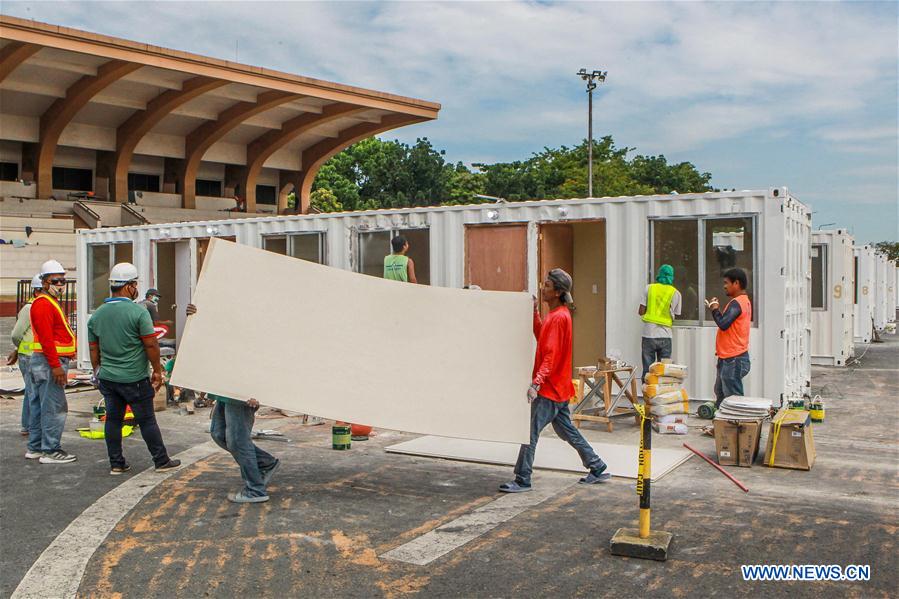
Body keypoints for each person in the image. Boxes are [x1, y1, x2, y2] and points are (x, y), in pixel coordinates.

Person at [499, 269, 610, 493]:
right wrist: (533, 312)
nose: (543, 287)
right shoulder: (556, 315)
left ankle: (523, 479)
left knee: (529, 433)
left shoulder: (559, 317)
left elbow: (551, 354)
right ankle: (597, 466)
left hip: (549, 390)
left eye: (547, 285)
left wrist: (536, 383)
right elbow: (542, 337)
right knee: (567, 431)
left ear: (558, 292)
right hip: (559, 388)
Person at [88, 263, 181, 475]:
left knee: (113, 420)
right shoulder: (138, 312)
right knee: (147, 419)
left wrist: (98, 372)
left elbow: (94, 351)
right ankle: (161, 460)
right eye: (135, 284)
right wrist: (157, 371)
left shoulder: (97, 315)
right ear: (129, 286)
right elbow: (151, 344)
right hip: (134, 378)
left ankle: (116, 463)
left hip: (109, 378)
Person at [186, 303, 280, 503]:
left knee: (238, 440)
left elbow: (267, 350)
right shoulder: (229, 314)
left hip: (242, 386)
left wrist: (259, 389)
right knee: (219, 433)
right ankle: (265, 463)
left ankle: (256, 489)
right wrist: (198, 317)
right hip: (225, 384)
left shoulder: (257, 319)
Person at [28, 260, 77, 464]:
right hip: (50, 363)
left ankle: (36, 447)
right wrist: (56, 366)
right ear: (45, 283)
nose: (61, 285)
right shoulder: (44, 304)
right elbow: (47, 339)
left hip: (47, 362)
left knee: (41, 405)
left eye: (63, 281)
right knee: (54, 407)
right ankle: (50, 450)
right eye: (56, 281)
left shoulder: (48, 303)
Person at [707, 268, 752, 407]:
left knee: (733, 399)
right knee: (720, 393)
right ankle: (721, 426)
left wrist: (714, 309)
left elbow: (723, 323)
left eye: (726, 283)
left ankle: (738, 426)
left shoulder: (737, 303)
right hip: (729, 358)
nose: (724, 286)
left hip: (734, 359)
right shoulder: (742, 301)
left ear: (736, 283)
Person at [7, 274, 42, 435]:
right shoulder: (29, 308)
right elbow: (16, 334)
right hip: (28, 356)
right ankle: (28, 426)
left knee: (32, 392)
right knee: (33, 393)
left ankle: (28, 425)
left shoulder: (41, 307)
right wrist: (17, 349)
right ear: (36, 291)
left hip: (34, 354)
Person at [638, 264, 682, 381]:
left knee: (648, 370)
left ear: (659, 274)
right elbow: (676, 314)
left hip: (649, 334)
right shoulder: (675, 293)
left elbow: (641, 311)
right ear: (671, 277)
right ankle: (661, 397)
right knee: (664, 371)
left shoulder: (649, 288)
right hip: (666, 335)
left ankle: (648, 396)